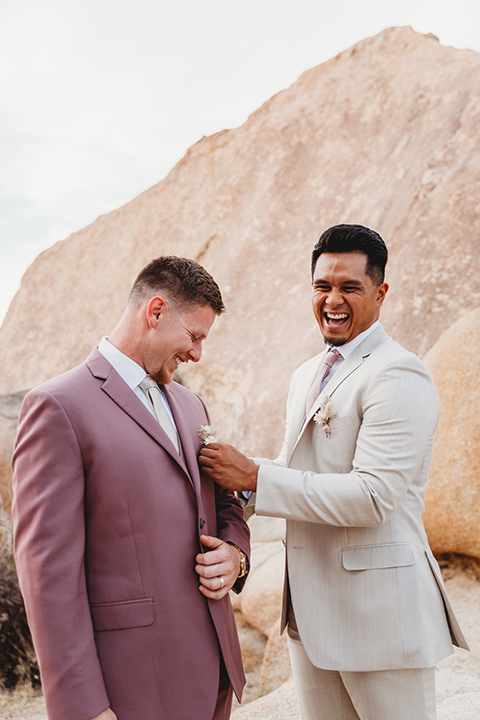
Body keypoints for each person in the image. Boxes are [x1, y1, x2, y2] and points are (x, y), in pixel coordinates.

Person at [199, 224, 469, 720]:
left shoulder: (398, 372)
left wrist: (255, 477)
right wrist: (232, 479)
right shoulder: (306, 373)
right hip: (309, 611)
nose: (333, 300)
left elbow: (374, 497)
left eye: (350, 287)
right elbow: (297, 471)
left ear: (381, 293)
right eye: (323, 287)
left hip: (379, 615)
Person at [12, 256, 250, 720]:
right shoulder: (57, 407)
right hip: (133, 687)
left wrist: (236, 555)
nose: (198, 354)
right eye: (195, 337)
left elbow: (225, 503)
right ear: (155, 311)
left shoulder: (191, 404)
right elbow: (47, 576)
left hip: (214, 675)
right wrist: (84, 707)